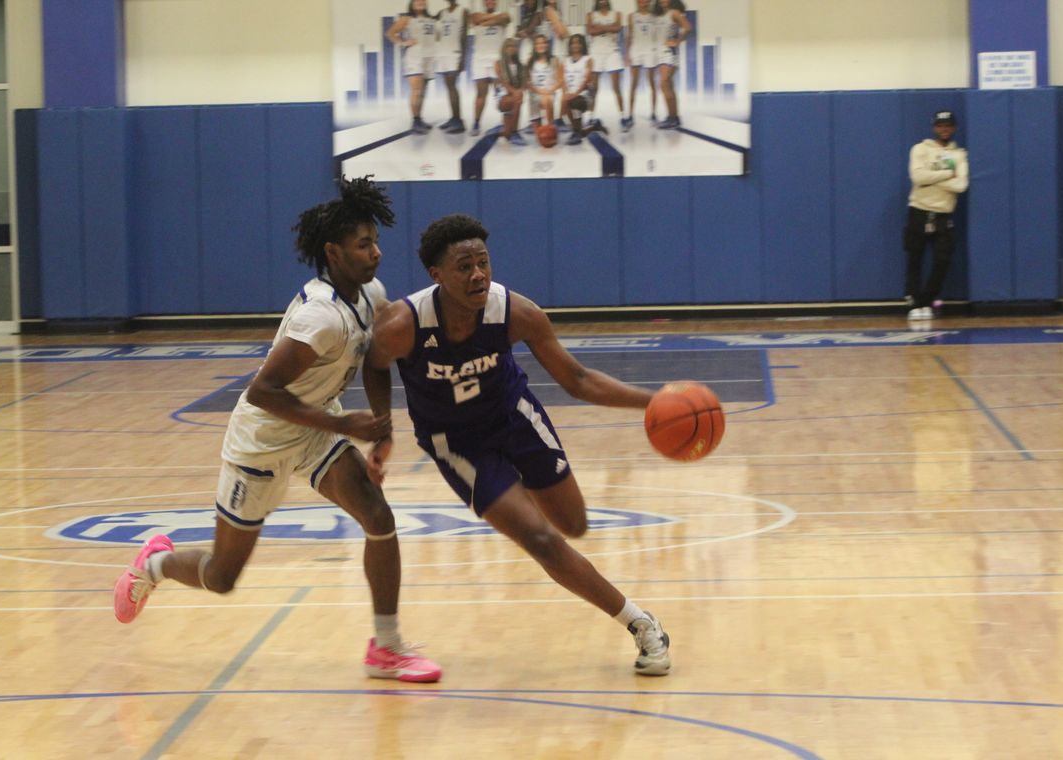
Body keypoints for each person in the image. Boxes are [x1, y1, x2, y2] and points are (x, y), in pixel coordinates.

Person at [112, 176, 442, 684]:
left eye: (376, 241)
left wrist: (379, 428)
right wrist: (341, 422)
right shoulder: (320, 318)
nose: (376, 252)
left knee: (379, 516)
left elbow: (377, 358)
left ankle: (387, 646)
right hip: (261, 443)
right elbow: (260, 392)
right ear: (333, 252)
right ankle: (154, 566)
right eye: (363, 244)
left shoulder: (369, 293)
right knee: (223, 577)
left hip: (312, 432)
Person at [364, 214, 673, 676]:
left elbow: (579, 379)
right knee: (543, 540)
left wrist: (658, 402)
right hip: (458, 443)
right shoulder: (403, 324)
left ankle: (516, 498)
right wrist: (383, 428)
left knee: (575, 524)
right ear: (437, 275)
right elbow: (374, 364)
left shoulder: (516, 312)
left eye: (483, 263)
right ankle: (641, 623)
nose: (478, 275)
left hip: (515, 419)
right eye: (464, 266)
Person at [904, 110, 969, 320]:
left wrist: (931, 179)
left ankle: (927, 300)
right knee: (915, 257)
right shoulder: (920, 149)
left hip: (943, 214)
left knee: (943, 260)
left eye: (948, 125)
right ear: (934, 127)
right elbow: (918, 176)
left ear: (954, 128)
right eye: (941, 125)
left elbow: (961, 185)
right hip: (919, 210)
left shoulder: (959, 154)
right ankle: (914, 303)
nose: (944, 129)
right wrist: (947, 174)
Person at [386, 0, 438, 135]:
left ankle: (419, 119)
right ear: (412, 3)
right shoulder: (407, 18)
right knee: (416, 90)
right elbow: (390, 33)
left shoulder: (431, 19)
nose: (420, 2)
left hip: (429, 58)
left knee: (423, 92)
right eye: (417, 0)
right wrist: (403, 43)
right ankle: (415, 121)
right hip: (414, 58)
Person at [469, 0, 511, 136]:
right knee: (481, 94)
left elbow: (505, 18)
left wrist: (484, 22)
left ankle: (505, 125)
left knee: (500, 95)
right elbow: (475, 19)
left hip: (497, 61)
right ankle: (476, 123)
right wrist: (493, 20)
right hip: (479, 60)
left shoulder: (504, 14)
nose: (490, 2)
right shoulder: (476, 15)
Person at [586, 0, 624, 130]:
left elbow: (618, 28)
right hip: (596, 52)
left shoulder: (616, 14)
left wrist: (599, 28)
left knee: (616, 88)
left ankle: (623, 117)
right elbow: (590, 31)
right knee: (593, 89)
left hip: (612, 52)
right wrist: (609, 28)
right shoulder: (591, 15)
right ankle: (590, 117)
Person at [655, 0, 691, 129]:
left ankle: (672, 118)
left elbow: (687, 27)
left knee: (664, 84)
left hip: (669, 53)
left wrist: (677, 41)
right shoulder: (658, 15)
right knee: (668, 86)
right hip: (660, 54)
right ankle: (674, 117)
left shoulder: (674, 13)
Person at [435, 0, 468, 134]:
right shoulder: (441, 13)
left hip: (454, 53)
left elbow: (464, 36)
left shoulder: (463, 11)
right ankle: (454, 118)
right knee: (449, 87)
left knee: (452, 86)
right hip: (443, 53)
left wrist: (463, 58)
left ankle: (458, 121)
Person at [625, 0, 659, 129]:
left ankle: (654, 113)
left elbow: (658, 35)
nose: (642, 2)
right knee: (634, 83)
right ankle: (630, 115)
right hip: (636, 50)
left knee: (652, 82)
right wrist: (627, 54)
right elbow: (629, 36)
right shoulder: (632, 16)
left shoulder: (654, 16)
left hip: (650, 51)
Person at [560, 34, 599, 145]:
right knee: (565, 101)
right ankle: (582, 129)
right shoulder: (565, 61)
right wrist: (566, 93)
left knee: (575, 102)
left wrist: (575, 94)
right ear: (570, 45)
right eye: (573, 43)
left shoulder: (588, 60)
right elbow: (562, 80)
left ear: (582, 45)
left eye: (578, 42)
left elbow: (587, 81)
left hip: (585, 95)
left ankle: (576, 132)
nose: (575, 45)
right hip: (570, 93)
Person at [526, 33, 561, 132]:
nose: (540, 45)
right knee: (538, 132)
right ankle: (537, 123)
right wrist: (539, 91)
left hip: (549, 92)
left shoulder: (554, 60)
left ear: (547, 45)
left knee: (547, 99)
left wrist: (550, 90)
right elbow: (528, 83)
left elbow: (559, 81)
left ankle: (551, 125)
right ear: (534, 46)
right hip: (535, 94)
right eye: (537, 43)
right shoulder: (530, 61)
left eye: (543, 43)